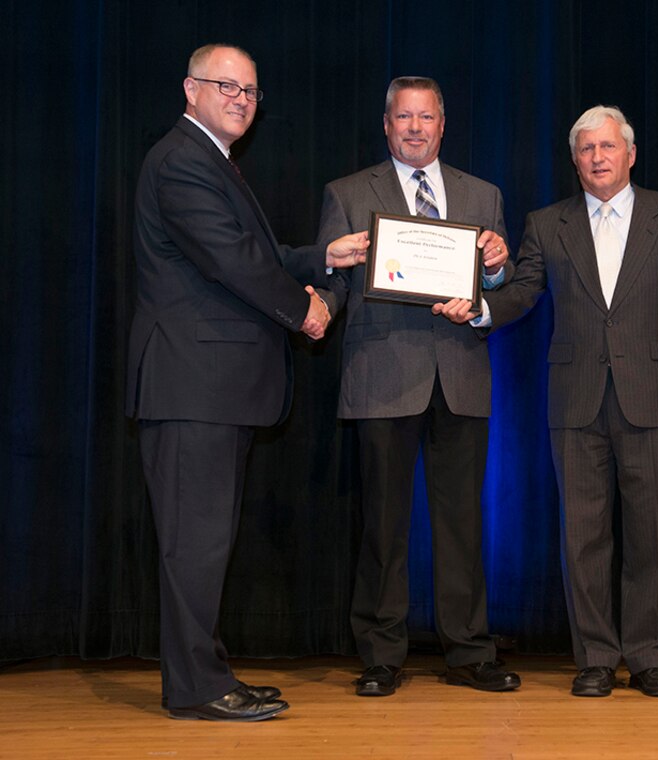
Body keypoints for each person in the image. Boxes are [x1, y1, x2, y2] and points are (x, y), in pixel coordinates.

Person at [126, 43, 367, 721]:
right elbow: (235, 264)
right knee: (194, 545)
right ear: (190, 89)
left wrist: (325, 254)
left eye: (250, 91)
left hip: (211, 386)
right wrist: (307, 309)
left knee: (204, 544)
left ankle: (204, 675)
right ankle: (199, 689)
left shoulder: (210, 161)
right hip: (192, 384)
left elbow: (254, 255)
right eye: (225, 86)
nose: (239, 99)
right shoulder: (181, 162)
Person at [478, 105, 658, 697]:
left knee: (656, 535)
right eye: (586, 149)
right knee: (582, 535)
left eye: (608, 147)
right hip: (576, 400)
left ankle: (653, 657)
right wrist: (483, 307)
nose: (598, 158)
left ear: (630, 154)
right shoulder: (547, 222)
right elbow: (524, 291)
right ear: (575, 160)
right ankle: (593, 657)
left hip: (655, 395)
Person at [317, 76, 519, 696]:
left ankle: (468, 651)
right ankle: (381, 654)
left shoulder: (482, 195)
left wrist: (498, 265)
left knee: (463, 525)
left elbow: (502, 284)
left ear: (442, 123)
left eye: (424, 117)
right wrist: (324, 274)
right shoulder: (348, 193)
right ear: (386, 124)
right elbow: (332, 281)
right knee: (383, 526)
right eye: (402, 117)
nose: (414, 128)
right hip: (381, 378)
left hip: (458, 375)